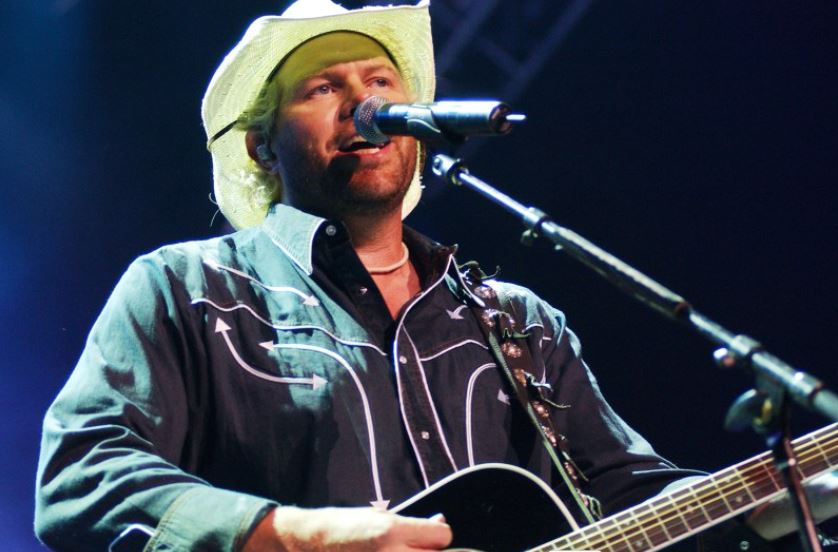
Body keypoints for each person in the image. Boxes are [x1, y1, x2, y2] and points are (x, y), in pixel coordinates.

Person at [35, 0, 837, 551]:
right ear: (261, 146)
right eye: (325, 88)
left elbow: (632, 498)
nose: (363, 105)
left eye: (380, 84)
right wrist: (300, 533)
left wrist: (783, 498)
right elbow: (83, 475)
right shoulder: (189, 289)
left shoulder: (518, 320)